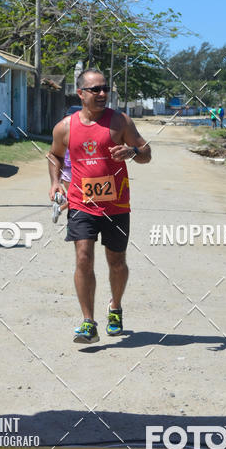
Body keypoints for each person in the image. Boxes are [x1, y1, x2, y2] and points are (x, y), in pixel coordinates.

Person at [48, 69, 151, 344]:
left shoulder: (120, 121)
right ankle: (88, 322)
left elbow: (146, 154)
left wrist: (133, 152)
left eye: (105, 88)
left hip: (117, 205)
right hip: (82, 203)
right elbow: (55, 155)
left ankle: (115, 307)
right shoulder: (65, 127)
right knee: (83, 258)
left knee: (116, 262)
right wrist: (56, 182)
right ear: (80, 93)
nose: (103, 94)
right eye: (95, 89)